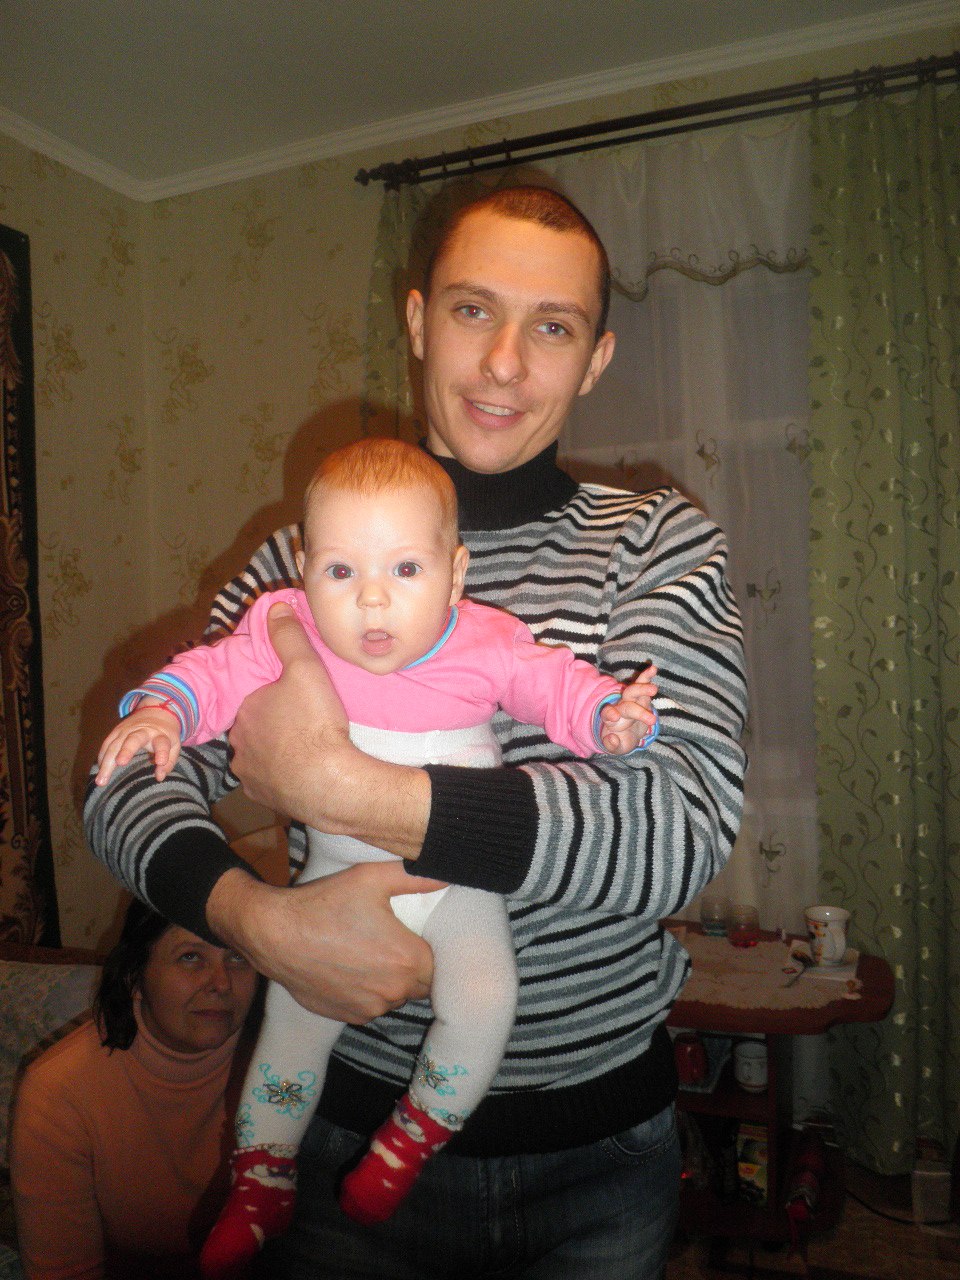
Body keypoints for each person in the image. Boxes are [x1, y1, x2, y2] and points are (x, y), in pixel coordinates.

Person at [85, 184, 748, 1279]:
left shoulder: (657, 544)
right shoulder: (301, 567)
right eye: (473, 310)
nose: (504, 363)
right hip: (337, 1137)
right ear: (416, 320)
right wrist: (253, 918)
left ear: (595, 359)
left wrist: (339, 786)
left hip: (597, 1159)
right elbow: (125, 786)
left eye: (553, 327)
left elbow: (680, 830)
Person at [95, 438, 659, 1271]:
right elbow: (209, 676)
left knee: (486, 997)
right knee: (292, 1025)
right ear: (303, 570)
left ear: (456, 575)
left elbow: (555, 685)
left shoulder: (487, 640)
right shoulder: (286, 627)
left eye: (405, 570)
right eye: (340, 571)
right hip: (333, 881)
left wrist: (608, 716)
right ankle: (261, 1177)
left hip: (458, 883)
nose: (371, 600)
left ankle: (412, 1139)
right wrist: (160, 713)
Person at [10, 900, 259, 1280]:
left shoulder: (285, 1070)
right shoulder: (58, 1093)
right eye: (191, 957)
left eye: (238, 957)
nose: (222, 983)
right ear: (135, 975)